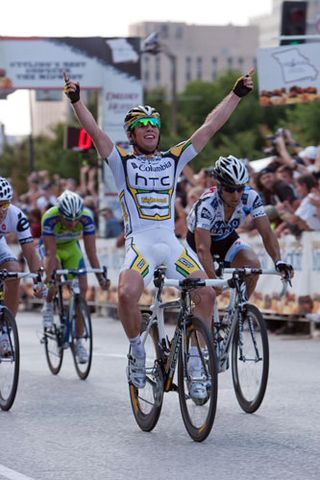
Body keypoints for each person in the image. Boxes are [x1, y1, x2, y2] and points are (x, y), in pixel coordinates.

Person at [64, 68, 254, 396]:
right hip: (142, 243)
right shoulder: (121, 161)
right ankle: (136, 349)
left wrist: (236, 94)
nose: (150, 129)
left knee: (206, 294)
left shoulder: (173, 159)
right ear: (131, 134)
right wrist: (77, 101)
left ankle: (195, 363)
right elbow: (95, 133)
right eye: (142, 126)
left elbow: (209, 128)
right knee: (126, 294)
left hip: (171, 242)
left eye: (154, 125)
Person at [186, 156, 293, 297]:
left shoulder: (251, 197)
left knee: (252, 267)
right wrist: (213, 280)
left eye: (240, 188)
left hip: (226, 238)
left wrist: (278, 260)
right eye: (230, 189)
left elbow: (267, 233)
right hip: (197, 244)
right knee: (208, 295)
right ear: (220, 186)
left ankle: (240, 311)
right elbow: (203, 249)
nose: (236, 195)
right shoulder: (207, 205)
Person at [40, 190, 109, 363]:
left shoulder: (86, 217)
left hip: (71, 249)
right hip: (52, 249)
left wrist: (101, 278)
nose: (72, 224)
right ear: (60, 213)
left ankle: (79, 342)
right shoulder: (49, 217)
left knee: (81, 291)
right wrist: (47, 280)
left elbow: (91, 252)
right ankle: (47, 305)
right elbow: (50, 253)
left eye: (75, 220)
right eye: (68, 220)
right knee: (53, 281)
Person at [0, 177, 45, 355]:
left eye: (4, 205)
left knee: (14, 271)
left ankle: (5, 330)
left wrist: (39, 280)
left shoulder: (15, 214)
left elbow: (30, 253)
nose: (1, 210)